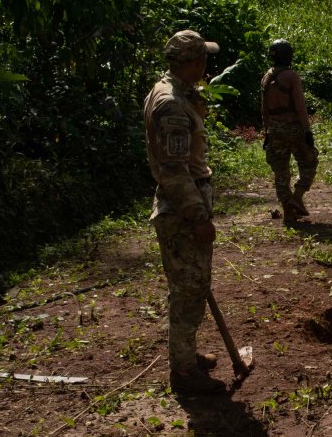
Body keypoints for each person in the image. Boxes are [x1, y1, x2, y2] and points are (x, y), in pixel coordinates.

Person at [143, 30, 224, 394]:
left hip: (188, 202)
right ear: (192, 61)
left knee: (193, 286)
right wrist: (198, 216)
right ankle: (184, 372)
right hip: (181, 210)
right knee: (188, 291)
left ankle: (186, 356)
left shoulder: (180, 95)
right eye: (203, 58)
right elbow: (174, 170)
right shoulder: (171, 104)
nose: (207, 64)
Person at [260, 39, 318, 224]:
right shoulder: (291, 76)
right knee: (309, 161)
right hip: (294, 128)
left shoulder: (266, 77)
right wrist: (307, 132)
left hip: (275, 129)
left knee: (281, 172)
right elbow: (301, 107)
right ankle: (298, 196)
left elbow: (264, 109)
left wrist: (267, 132)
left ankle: (289, 211)